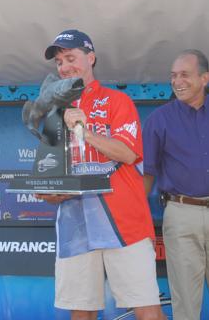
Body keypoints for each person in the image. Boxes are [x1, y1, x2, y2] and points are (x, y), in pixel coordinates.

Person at [38, 29, 164, 320]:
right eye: (59, 62)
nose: (64, 67)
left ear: (91, 58)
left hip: (124, 224)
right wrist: (50, 192)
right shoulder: (55, 112)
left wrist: (83, 131)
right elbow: (49, 172)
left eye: (71, 58)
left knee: (147, 311)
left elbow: (128, 153)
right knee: (81, 312)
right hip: (76, 227)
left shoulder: (117, 101)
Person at [142, 50, 209, 320]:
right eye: (173, 76)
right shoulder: (159, 119)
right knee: (185, 303)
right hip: (180, 214)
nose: (177, 82)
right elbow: (146, 173)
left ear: (205, 78)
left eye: (184, 75)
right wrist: (137, 219)